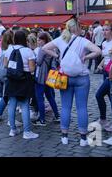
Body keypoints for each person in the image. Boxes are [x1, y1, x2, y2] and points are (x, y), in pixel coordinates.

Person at [42, 18, 101, 146]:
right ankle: (84, 139)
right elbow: (98, 51)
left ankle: (64, 136)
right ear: (78, 28)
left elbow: (45, 48)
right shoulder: (83, 41)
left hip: (65, 77)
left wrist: (57, 56)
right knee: (82, 108)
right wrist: (86, 56)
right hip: (82, 77)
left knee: (66, 107)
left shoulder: (60, 40)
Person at [4, 30, 39, 139]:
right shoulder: (28, 51)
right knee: (24, 105)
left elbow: (5, 65)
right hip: (25, 80)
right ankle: (27, 132)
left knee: (12, 104)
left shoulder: (9, 50)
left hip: (11, 80)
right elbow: (32, 69)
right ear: (25, 39)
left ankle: (13, 130)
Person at [33, 32, 60, 126]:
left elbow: (39, 62)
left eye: (40, 39)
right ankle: (57, 115)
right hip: (50, 76)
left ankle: (42, 120)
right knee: (50, 96)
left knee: (40, 97)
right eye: (37, 39)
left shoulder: (42, 49)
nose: (38, 41)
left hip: (41, 76)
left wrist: (34, 59)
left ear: (44, 40)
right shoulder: (53, 48)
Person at [94, 23, 112, 132]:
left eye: (107, 30)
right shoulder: (103, 43)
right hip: (105, 73)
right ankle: (105, 119)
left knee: (99, 95)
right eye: (103, 30)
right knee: (110, 97)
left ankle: (110, 120)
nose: (104, 32)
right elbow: (106, 57)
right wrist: (100, 64)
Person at [0, 30, 17, 125]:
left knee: (6, 96)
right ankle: (11, 120)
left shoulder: (3, 47)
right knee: (10, 97)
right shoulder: (12, 49)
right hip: (9, 75)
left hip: (2, 74)